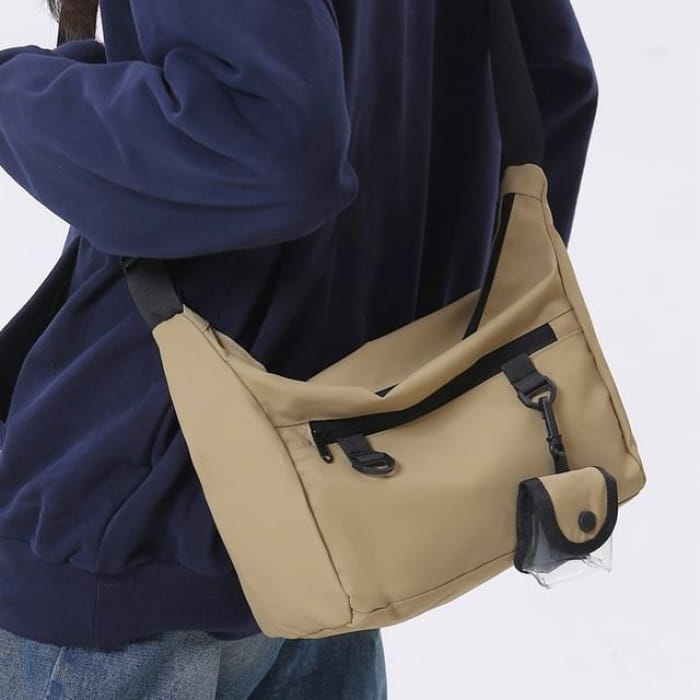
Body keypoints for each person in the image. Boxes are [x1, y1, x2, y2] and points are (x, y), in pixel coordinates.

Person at [0, 0, 597, 697]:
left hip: (144, 510)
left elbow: (268, 141)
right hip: (340, 492)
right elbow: (549, 78)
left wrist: (16, 93)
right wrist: (423, 357)